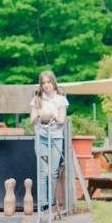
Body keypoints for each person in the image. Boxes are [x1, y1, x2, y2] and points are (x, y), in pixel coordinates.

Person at [29, 69, 68, 213]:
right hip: (41, 138)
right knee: (43, 172)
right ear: (41, 85)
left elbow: (62, 121)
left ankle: (52, 201)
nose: (46, 85)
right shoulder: (36, 100)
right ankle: (42, 203)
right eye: (43, 83)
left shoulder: (61, 100)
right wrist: (39, 115)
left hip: (56, 138)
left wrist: (52, 115)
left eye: (48, 82)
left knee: (53, 172)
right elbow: (31, 121)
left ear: (53, 83)